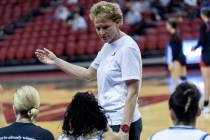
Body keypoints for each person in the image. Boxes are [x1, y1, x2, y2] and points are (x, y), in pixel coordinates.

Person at [35, 1, 142, 140]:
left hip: (123, 122)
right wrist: (56, 61)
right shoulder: (107, 46)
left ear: (118, 22)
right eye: (98, 28)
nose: (102, 33)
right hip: (107, 121)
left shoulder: (127, 48)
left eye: (106, 27)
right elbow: (88, 74)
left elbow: (133, 91)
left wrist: (124, 129)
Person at [192, 7, 210, 114]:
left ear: (203, 15)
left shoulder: (204, 25)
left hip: (206, 56)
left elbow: (202, 40)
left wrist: (195, 47)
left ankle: (207, 104)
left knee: (207, 81)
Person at [166, 19, 187, 87]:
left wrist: (172, 62)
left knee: (175, 81)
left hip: (177, 59)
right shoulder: (175, 35)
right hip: (180, 58)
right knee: (183, 80)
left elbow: (176, 51)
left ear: (171, 26)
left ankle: (180, 96)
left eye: (167, 25)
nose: (166, 26)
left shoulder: (175, 36)